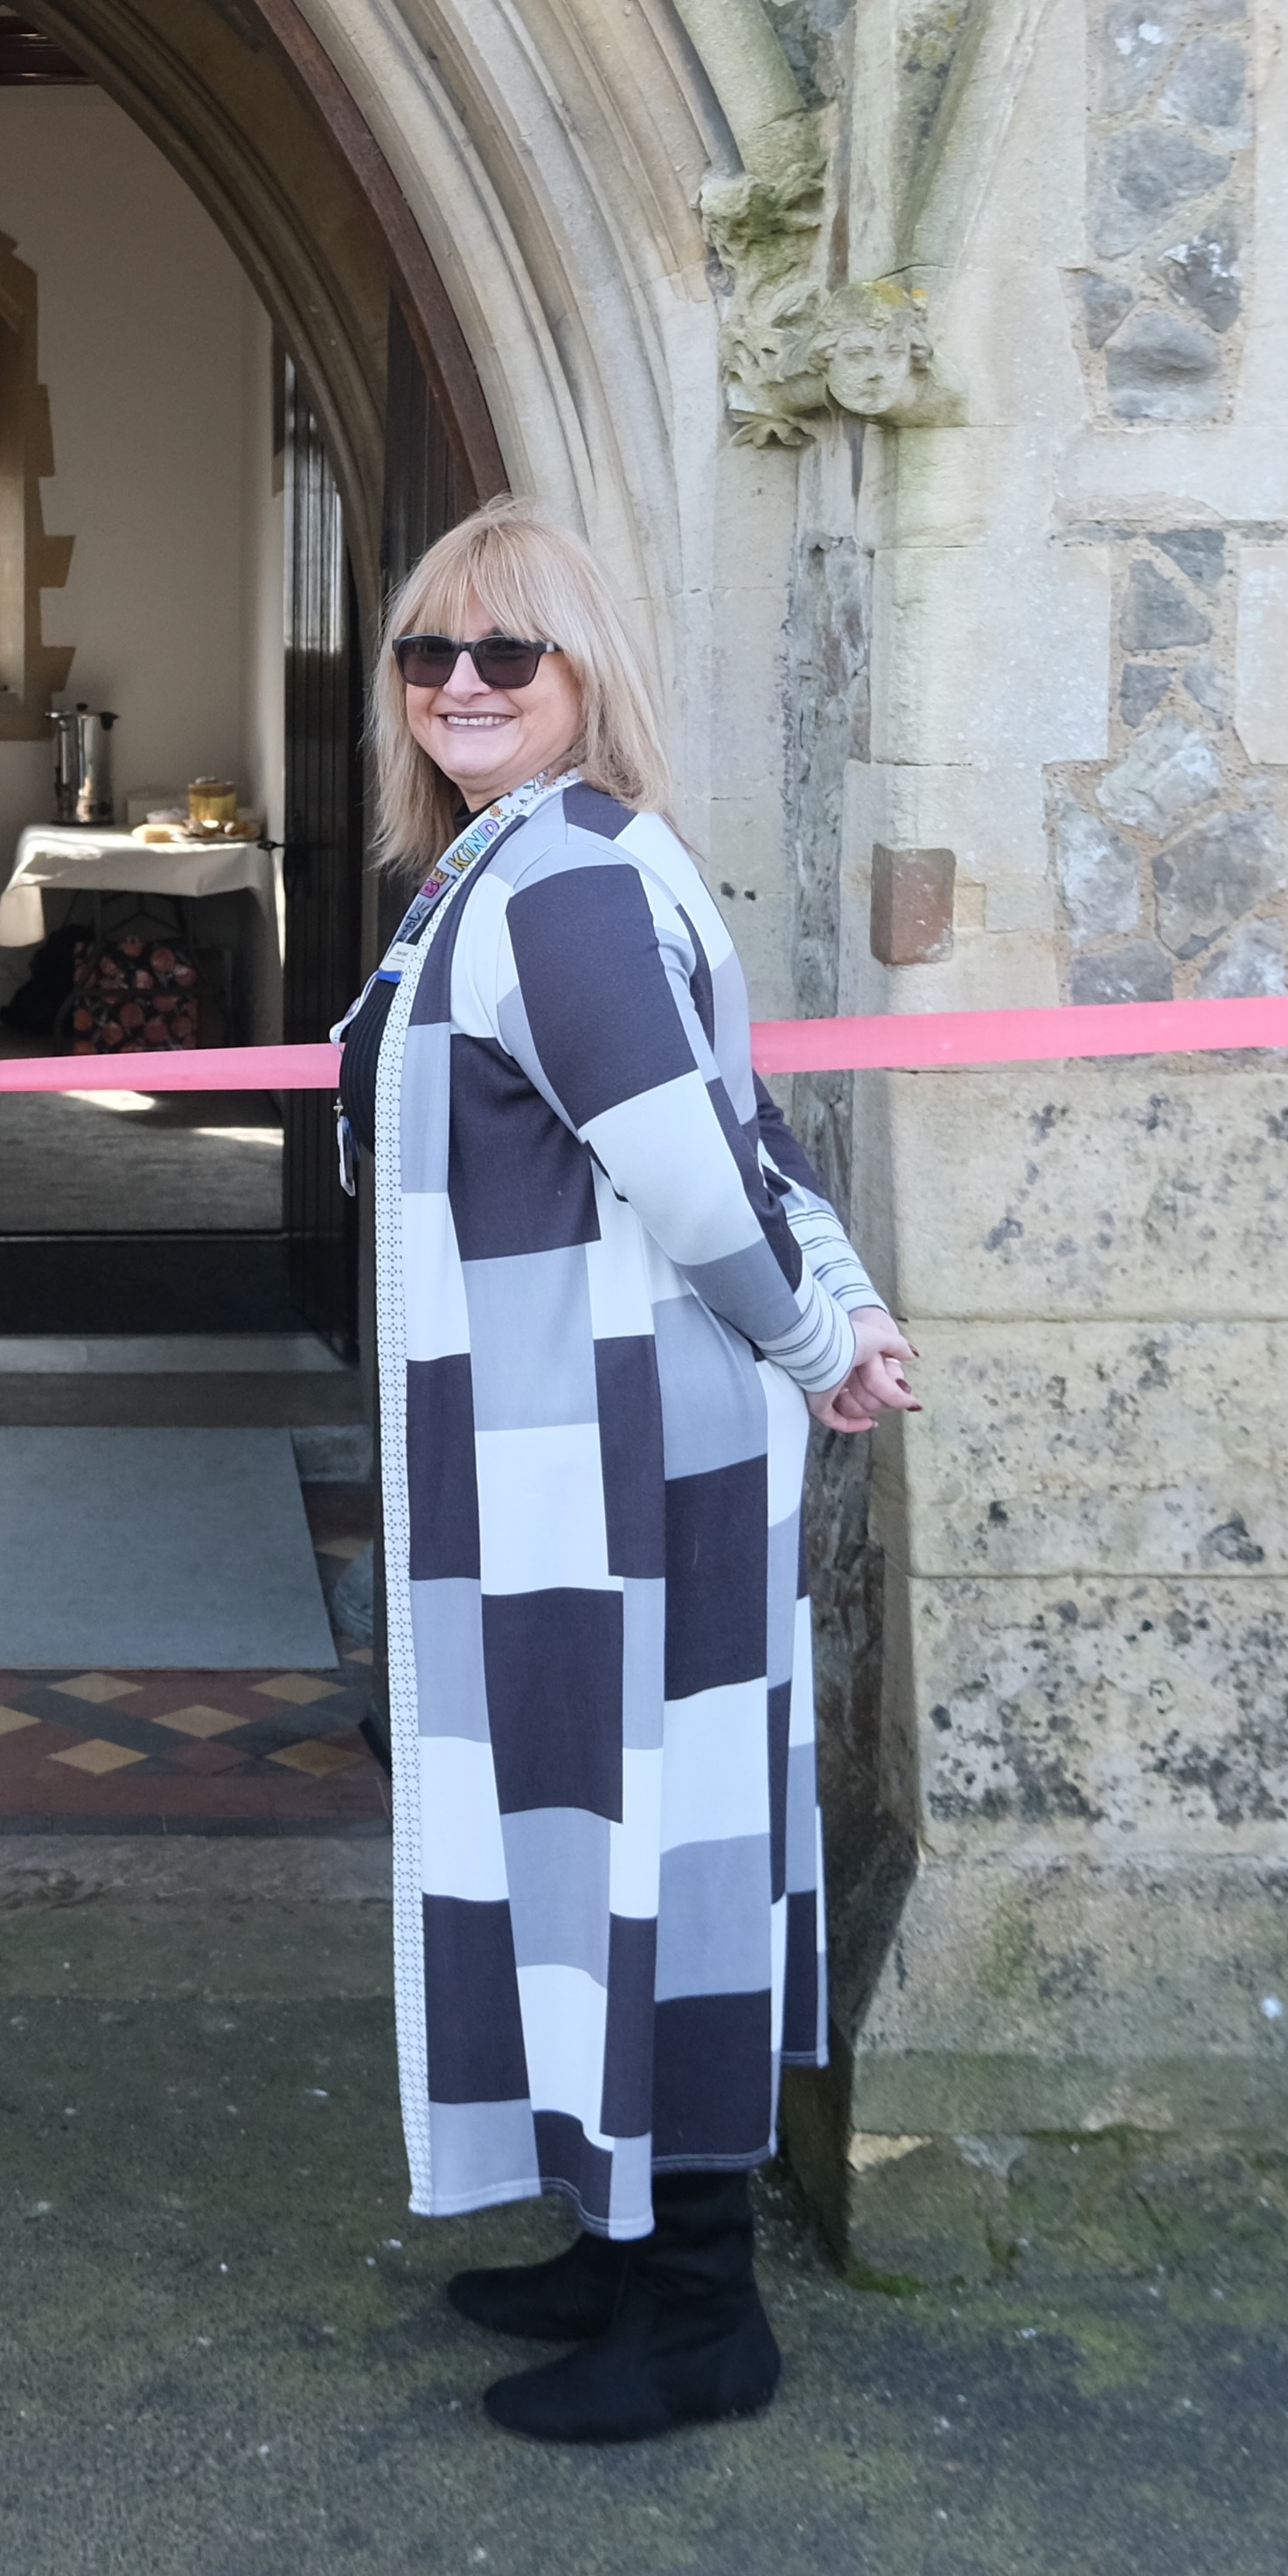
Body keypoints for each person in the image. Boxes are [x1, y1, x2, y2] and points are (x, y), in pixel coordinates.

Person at [332, 497, 917, 2445]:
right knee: (588, 1853)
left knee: (635, 1850)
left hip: (603, 1464)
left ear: (588, 675)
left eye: (510, 654)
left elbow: (684, 1159)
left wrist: (819, 1336)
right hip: (563, 1454)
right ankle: (615, 2232)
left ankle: (694, 2312)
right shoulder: (523, 864)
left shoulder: (563, 875)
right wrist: (832, 1300)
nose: (462, 686)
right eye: (429, 654)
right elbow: (745, 1127)